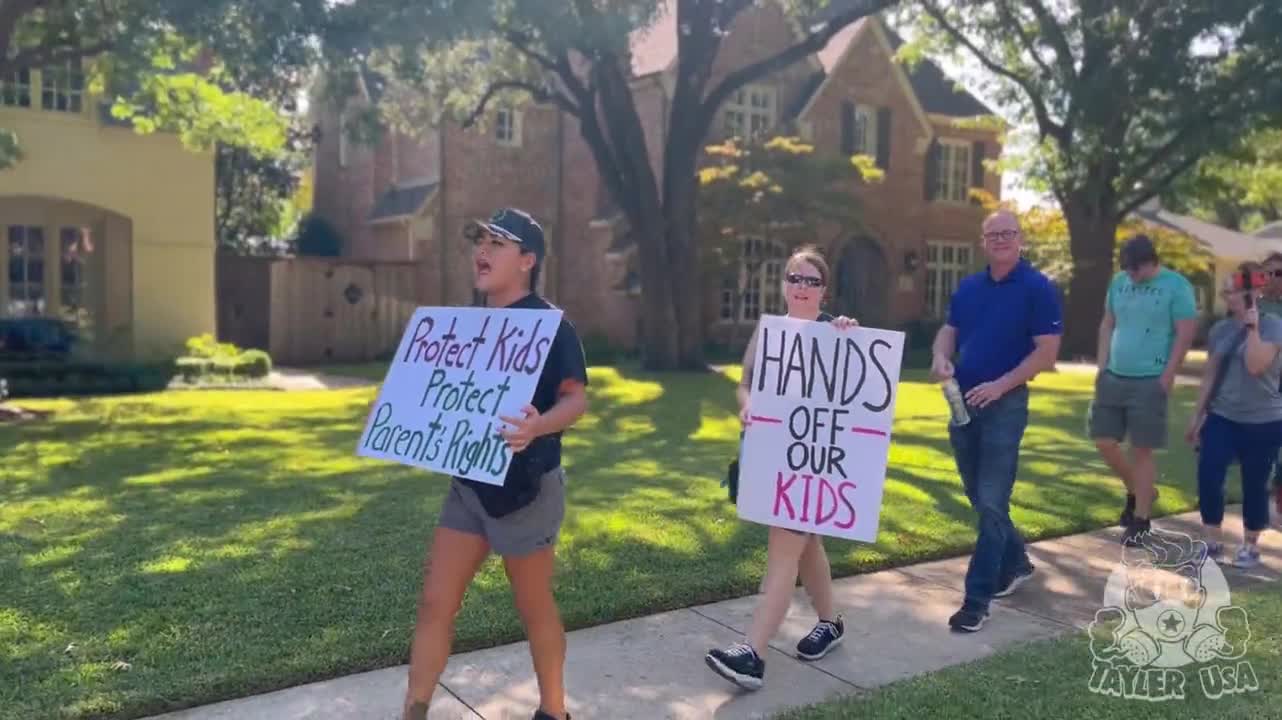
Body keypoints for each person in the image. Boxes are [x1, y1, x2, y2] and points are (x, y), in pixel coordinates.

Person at [401, 208, 589, 720]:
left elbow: (576, 401)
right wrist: (405, 407)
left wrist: (537, 426)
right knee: (435, 603)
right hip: (468, 485)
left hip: (526, 491)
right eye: (479, 241)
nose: (481, 251)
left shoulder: (552, 326)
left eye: (498, 244)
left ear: (527, 260)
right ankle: (413, 710)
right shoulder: (466, 324)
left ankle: (554, 711)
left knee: (533, 608)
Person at [704, 246, 857, 691]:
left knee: (784, 550)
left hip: (813, 463)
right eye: (794, 277)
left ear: (824, 291)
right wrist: (747, 406)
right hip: (773, 455)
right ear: (784, 284)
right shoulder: (769, 331)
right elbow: (746, 383)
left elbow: (859, 377)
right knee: (806, 546)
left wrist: (850, 333)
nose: (801, 287)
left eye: (811, 280)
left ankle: (753, 654)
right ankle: (831, 623)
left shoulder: (836, 332)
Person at [930, 210, 1063, 633]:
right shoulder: (969, 288)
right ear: (983, 241)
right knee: (978, 495)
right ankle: (1018, 562)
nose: (1001, 239)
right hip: (961, 403)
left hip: (1005, 406)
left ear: (1020, 239)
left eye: (1009, 233)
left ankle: (976, 600)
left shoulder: (1038, 288)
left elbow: (1046, 352)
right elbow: (949, 331)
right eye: (993, 234)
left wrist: (1000, 386)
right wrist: (939, 356)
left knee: (991, 499)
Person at [1089, 235, 1198, 545]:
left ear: (1151, 261)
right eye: (1127, 269)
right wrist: (1101, 366)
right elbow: (1107, 323)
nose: (1131, 275)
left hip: (1151, 378)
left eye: (1135, 269)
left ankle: (1140, 519)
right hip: (1114, 375)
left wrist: (1169, 374)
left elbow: (1185, 334)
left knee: (1142, 449)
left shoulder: (1176, 287)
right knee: (1104, 441)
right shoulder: (1119, 282)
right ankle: (1141, 491)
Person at [1185, 262, 1282, 568]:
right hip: (1223, 416)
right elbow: (1210, 376)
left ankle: (1250, 546)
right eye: (1226, 291)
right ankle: (1213, 542)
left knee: (1255, 483)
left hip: (1264, 420)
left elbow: (1256, 366)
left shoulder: (1274, 326)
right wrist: (1197, 415)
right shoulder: (1220, 330)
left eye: (1233, 291)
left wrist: (1252, 327)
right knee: (1209, 474)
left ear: (1252, 294)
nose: (1227, 296)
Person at [1260, 251, 1282, 524]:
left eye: (1280, 273)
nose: (1275, 279)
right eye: (1269, 273)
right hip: (1258, 386)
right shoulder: (1252, 305)